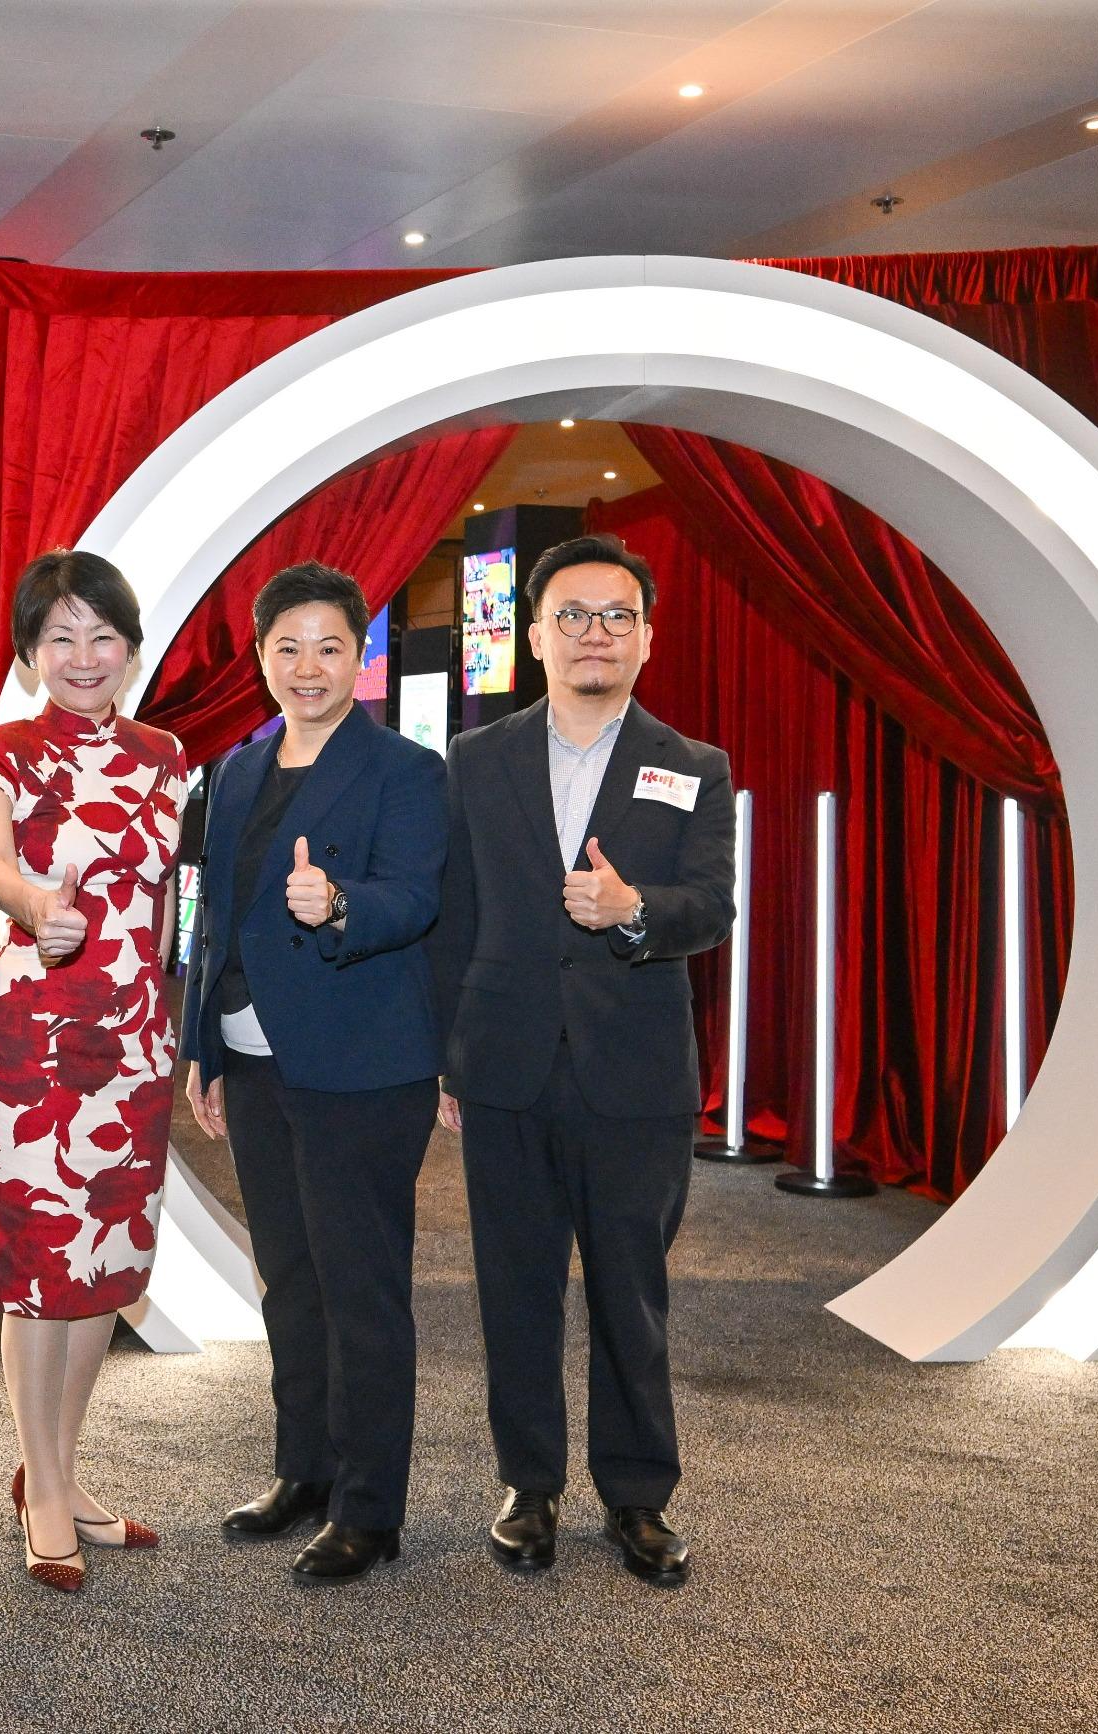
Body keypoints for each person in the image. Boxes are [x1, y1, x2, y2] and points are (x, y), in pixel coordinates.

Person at [430, 531, 734, 1588]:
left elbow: (711, 906)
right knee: (513, 1285)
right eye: (570, 615)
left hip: (635, 1077)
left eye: (614, 616)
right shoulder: (475, 759)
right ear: (533, 636)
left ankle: (638, 1496)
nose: (592, 633)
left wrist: (633, 908)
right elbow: (451, 916)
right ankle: (529, 1483)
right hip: (503, 1064)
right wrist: (447, 1058)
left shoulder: (694, 767)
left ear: (647, 637)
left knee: (628, 1289)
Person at [179, 561, 447, 1583]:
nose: (307, 666)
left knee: (359, 1285)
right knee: (287, 1278)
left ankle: (371, 1508)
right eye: (286, 647)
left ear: (359, 657)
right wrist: (203, 1044)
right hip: (251, 1059)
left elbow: (413, 898)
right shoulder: (238, 771)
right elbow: (212, 921)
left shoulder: (406, 772)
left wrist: (336, 905)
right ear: (259, 660)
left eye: (329, 646)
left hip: (361, 1063)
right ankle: (306, 1469)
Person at [0, 551, 187, 1593]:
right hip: (31, 1043)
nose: (82, 656)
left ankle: (59, 1467)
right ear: (28, 653)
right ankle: (45, 1489)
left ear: (131, 650)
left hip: (132, 1043)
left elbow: (169, 907)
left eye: (102, 636)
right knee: (36, 1265)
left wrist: (171, 1025)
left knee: (103, 1263)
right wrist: (31, 907)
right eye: (60, 637)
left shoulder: (166, 756)